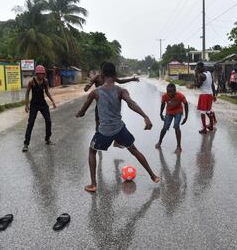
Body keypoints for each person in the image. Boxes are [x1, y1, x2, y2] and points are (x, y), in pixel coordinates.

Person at [76, 62, 160, 193]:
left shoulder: (95, 93)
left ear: (102, 76)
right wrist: (145, 116)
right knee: (134, 149)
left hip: (104, 131)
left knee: (92, 151)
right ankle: (153, 176)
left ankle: (93, 184)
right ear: (115, 75)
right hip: (120, 129)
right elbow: (131, 103)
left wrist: (78, 114)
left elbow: (82, 112)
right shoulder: (121, 91)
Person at [84, 65, 139, 131]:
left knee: (113, 121)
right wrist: (87, 87)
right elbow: (90, 83)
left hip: (111, 103)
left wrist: (131, 79)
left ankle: (113, 135)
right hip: (100, 104)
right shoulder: (97, 77)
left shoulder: (110, 77)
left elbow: (120, 81)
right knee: (98, 123)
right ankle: (98, 135)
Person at [22, 65, 57, 152]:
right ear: (36, 74)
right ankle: (26, 144)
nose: (41, 75)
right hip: (34, 104)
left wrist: (52, 101)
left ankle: (47, 138)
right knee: (31, 123)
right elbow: (27, 93)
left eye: (43, 74)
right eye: (40, 74)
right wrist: (26, 105)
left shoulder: (45, 81)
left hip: (43, 103)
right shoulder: (32, 82)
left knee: (48, 121)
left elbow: (47, 92)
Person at [155, 83, 188, 153]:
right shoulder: (164, 96)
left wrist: (186, 117)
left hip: (178, 111)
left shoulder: (180, 95)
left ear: (175, 91)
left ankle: (179, 146)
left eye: (171, 92)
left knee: (176, 126)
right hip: (169, 112)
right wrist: (161, 114)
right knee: (165, 127)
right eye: (168, 92)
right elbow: (163, 104)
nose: (169, 94)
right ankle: (159, 141)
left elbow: (186, 104)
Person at [195, 62, 217, 134]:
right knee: (209, 111)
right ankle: (211, 125)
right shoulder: (209, 73)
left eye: (198, 68)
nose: (197, 69)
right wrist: (214, 95)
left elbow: (197, 85)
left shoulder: (201, 75)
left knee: (202, 112)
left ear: (201, 68)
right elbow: (212, 85)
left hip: (204, 95)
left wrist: (196, 75)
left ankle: (204, 128)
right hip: (210, 94)